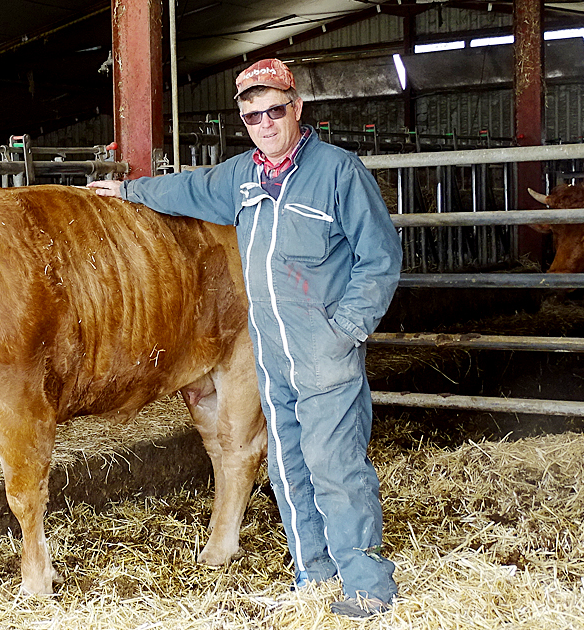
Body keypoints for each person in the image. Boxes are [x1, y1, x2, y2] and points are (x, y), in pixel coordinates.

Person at [88, 58, 401, 618]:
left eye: (275, 111)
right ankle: (314, 572)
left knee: (335, 464)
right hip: (270, 352)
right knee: (286, 466)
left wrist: (346, 330)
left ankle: (367, 585)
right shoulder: (241, 177)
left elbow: (379, 258)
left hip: (323, 349)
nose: (265, 123)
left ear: (297, 109)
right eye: (253, 115)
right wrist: (127, 191)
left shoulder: (337, 172)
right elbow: (185, 190)